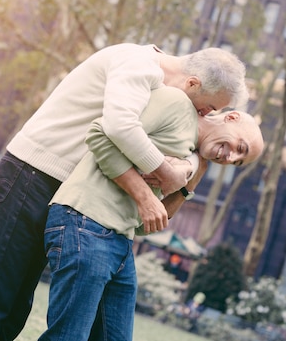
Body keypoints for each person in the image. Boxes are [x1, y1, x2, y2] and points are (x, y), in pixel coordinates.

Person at [0, 43, 249, 341]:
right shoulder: (137, 64)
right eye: (207, 107)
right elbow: (119, 128)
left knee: (16, 307)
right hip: (34, 173)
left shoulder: (163, 91)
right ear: (192, 83)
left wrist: (191, 164)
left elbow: (189, 144)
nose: (202, 115)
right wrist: (168, 174)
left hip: (71, 193)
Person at [40, 86, 264, 341]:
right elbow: (101, 133)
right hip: (85, 220)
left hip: (121, 241)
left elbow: (147, 225)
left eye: (236, 161)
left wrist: (194, 176)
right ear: (231, 117)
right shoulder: (177, 106)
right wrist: (147, 195)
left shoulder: (192, 156)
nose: (230, 157)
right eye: (240, 147)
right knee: (67, 336)